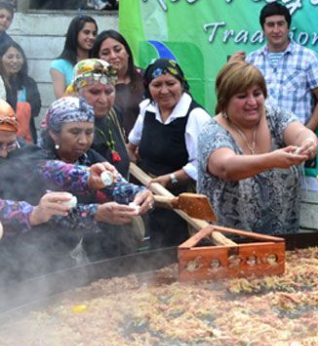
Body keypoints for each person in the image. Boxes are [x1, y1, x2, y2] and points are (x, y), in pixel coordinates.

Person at [0, 98, 151, 275]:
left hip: (43, 259)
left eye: (9, 144)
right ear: (54, 133)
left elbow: (48, 168)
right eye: (74, 131)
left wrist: (88, 177)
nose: (4, 153)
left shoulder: (25, 153)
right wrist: (32, 213)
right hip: (14, 258)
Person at [197, 61, 317, 234]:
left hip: (284, 243)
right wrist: (272, 160)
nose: (252, 102)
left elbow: (300, 133)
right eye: (242, 96)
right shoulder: (212, 131)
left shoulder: (275, 117)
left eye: (257, 93)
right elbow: (225, 167)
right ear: (225, 100)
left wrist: (308, 142)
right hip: (227, 246)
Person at [128, 58, 211, 248]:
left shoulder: (195, 116)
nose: (164, 91)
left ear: (182, 84)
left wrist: (171, 178)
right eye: (157, 85)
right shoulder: (148, 110)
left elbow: (204, 163)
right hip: (153, 197)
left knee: (181, 250)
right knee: (156, 251)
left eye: (171, 83)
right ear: (148, 87)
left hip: (184, 202)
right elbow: (132, 144)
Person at [239, 2, 318, 131]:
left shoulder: (308, 57)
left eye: (280, 24)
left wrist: (306, 133)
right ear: (263, 28)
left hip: (297, 142)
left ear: (288, 27)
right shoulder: (251, 60)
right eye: (270, 25)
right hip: (259, 140)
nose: (276, 30)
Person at [68, 58, 129, 178]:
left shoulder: (113, 113)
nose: (103, 100)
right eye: (95, 92)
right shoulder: (69, 123)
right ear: (77, 92)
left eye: (109, 91)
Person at [90, 30, 144, 135]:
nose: (113, 56)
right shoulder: (93, 85)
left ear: (127, 52)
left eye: (117, 50)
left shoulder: (146, 78)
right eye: (105, 53)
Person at [0, 41, 39, 144]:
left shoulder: (29, 82)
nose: (15, 60)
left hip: (26, 137)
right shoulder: (1, 83)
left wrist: (23, 108)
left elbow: (36, 109)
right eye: (10, 57)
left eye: (18, 57)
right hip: (4, 136)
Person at [50, 14, 97, 99]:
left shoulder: (98, 63)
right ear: (75, 34)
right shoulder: (59, 65)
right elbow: (61, 99)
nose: (91, 37)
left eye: (94, 33)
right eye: (86, 32)